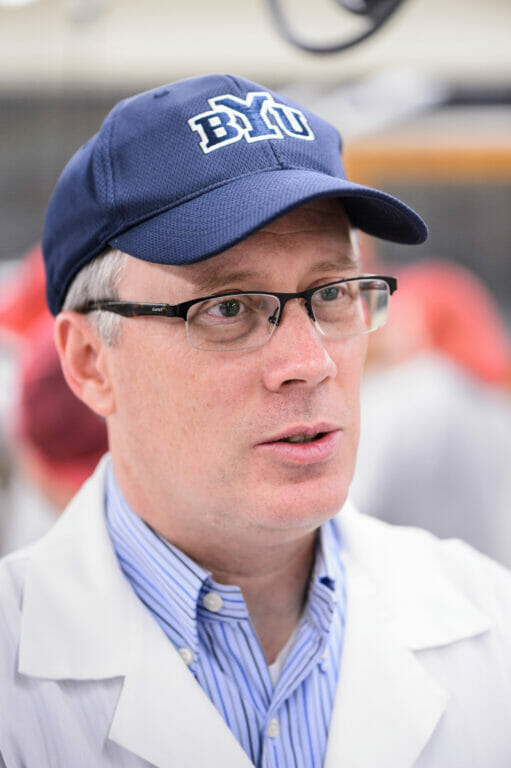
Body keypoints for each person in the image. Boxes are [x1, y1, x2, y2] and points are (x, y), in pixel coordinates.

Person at [0, 74, 510, 768]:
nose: (310, 362)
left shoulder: (489, 630)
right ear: (91, 361)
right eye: (228, 308)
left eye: (330, 294)